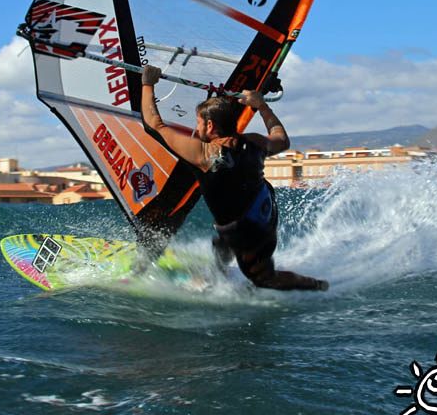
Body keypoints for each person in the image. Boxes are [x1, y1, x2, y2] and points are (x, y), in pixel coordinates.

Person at [139, 64, 328, 291]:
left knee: (263, 278)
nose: (196, 127)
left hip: (248, 231)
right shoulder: (254, 142)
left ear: (210, 125)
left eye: (198, 122)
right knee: (223, 241)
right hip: (265, 210)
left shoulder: (204, 154)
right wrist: (262, 106)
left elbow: (154, 125)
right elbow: (281, 138)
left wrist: (148, 83)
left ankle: (318, 286)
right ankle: (218, 272)